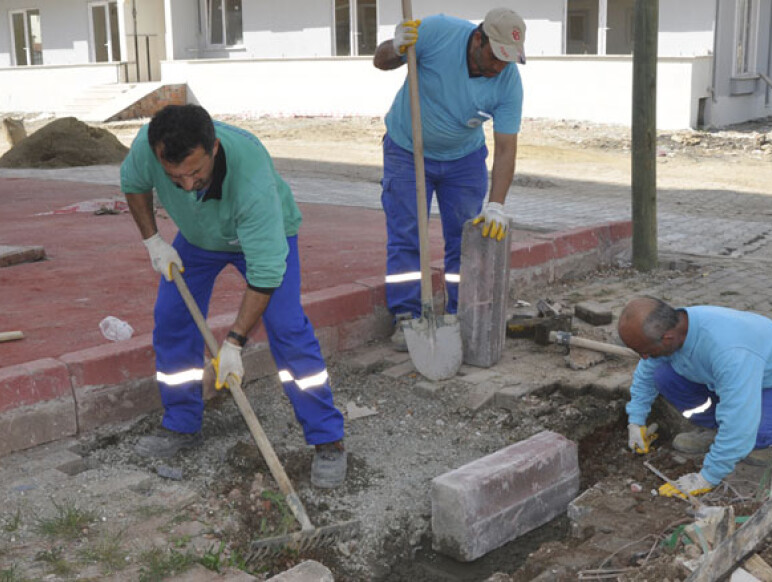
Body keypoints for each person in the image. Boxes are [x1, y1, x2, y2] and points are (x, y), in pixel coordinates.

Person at [120, 104, 347, 488]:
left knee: (287, 326)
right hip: (197, 238)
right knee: (173, 319)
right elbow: (134, 183)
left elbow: (266, 273)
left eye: (196, 172)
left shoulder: (251, 179)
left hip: (259, 237)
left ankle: (328, 439)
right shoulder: (148, 144)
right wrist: (153, 241)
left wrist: (235, 343)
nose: (188, 186)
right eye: (176, 178)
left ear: (214, 148)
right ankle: (181, 423)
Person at [373, 7, 526, 349]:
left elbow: (505, 150)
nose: (500, 66)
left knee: (466, 240)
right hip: (406, 150)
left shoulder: (508, 82)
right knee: (406, 236)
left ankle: (460, 313)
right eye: (495, 56)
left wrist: (497, 205)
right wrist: (397, 46)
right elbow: (380, 61)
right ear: (477, 38)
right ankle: (406, 316)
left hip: (464, 161)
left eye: (508, 59)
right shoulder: (438, 32)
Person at [618, 297, 772, 499]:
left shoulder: (729, 351)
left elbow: (738, 418)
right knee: (663, 377)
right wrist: (636, 420)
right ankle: (719, 432)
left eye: (645, 351)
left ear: (667, 338)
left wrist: (707, 477)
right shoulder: (675, 326)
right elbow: (646, 373)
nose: (644, 357)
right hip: (724, 379)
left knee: (751, 434)